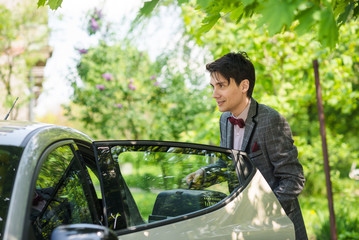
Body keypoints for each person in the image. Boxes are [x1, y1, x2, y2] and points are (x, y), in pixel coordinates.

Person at [186, 52, 308, 239]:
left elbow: (293, 179)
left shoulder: (271, 120)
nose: (214, 94)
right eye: (212, 87)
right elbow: (227, 165)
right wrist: (204, 174)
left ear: (244, 85)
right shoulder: (225, 120)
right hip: (243, 228)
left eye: (221, 86)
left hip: (278, 228)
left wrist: (261, 214)